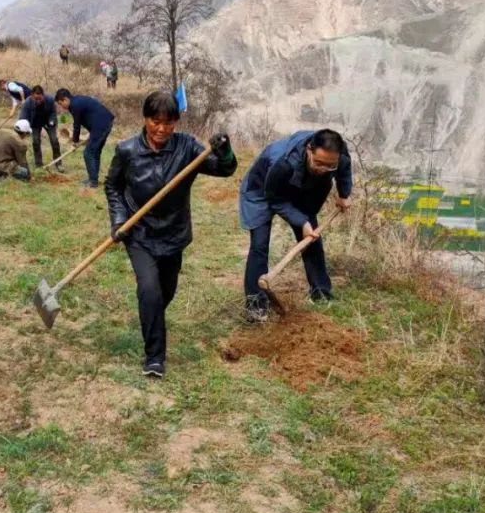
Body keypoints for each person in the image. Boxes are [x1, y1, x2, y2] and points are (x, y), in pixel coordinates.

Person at [105, 91, 236, 378]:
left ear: (176, 122)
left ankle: (150, 314)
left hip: (173, 233)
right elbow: (113, 187)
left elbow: (224, 170)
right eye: (155, 121)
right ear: (145, 119)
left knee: (165, 292)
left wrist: (224, 150)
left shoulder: (187, 148)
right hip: (138, 232)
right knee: (149, 289)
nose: (161, 129)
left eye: (168, 122)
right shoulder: (127, 150)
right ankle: (155, 358)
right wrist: (118, 220)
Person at [239, 129, 352, 323]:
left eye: (329, 166)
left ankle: (321, 292)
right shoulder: (282, 162)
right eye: (318, 163)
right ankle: (256, 306)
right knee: (259, 245)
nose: (323, 169)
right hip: (262, 191)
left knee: (311, 241)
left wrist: (344, 194)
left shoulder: (338, 156)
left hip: (300, 190)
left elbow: (343, 171)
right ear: (309, 150)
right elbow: (273, 198)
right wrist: (301, 221)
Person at [55, 88, 113, 189]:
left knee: (88, 153)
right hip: (104, 123)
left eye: (60, 103)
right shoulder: (77, 101)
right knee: (95, 152)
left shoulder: (75, 105)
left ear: (65, 99)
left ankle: (93, 182)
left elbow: (76, 125)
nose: (61, 107)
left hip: (101, 125)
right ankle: (93, 178)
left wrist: (75, 142)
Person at [19, 85, 64, 172]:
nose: (38, 101)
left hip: (48, 122)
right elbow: (23, 118)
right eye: (36, 99)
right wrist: (24, 130)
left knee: (54, 141)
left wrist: (51, 122)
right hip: (35, 123)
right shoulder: (27, 103)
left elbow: (53, 113)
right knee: (36, 142)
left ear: (43, 95)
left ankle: (58, 163)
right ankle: (39, 164)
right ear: (32, 96)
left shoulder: (50, 100)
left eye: (40, 99)